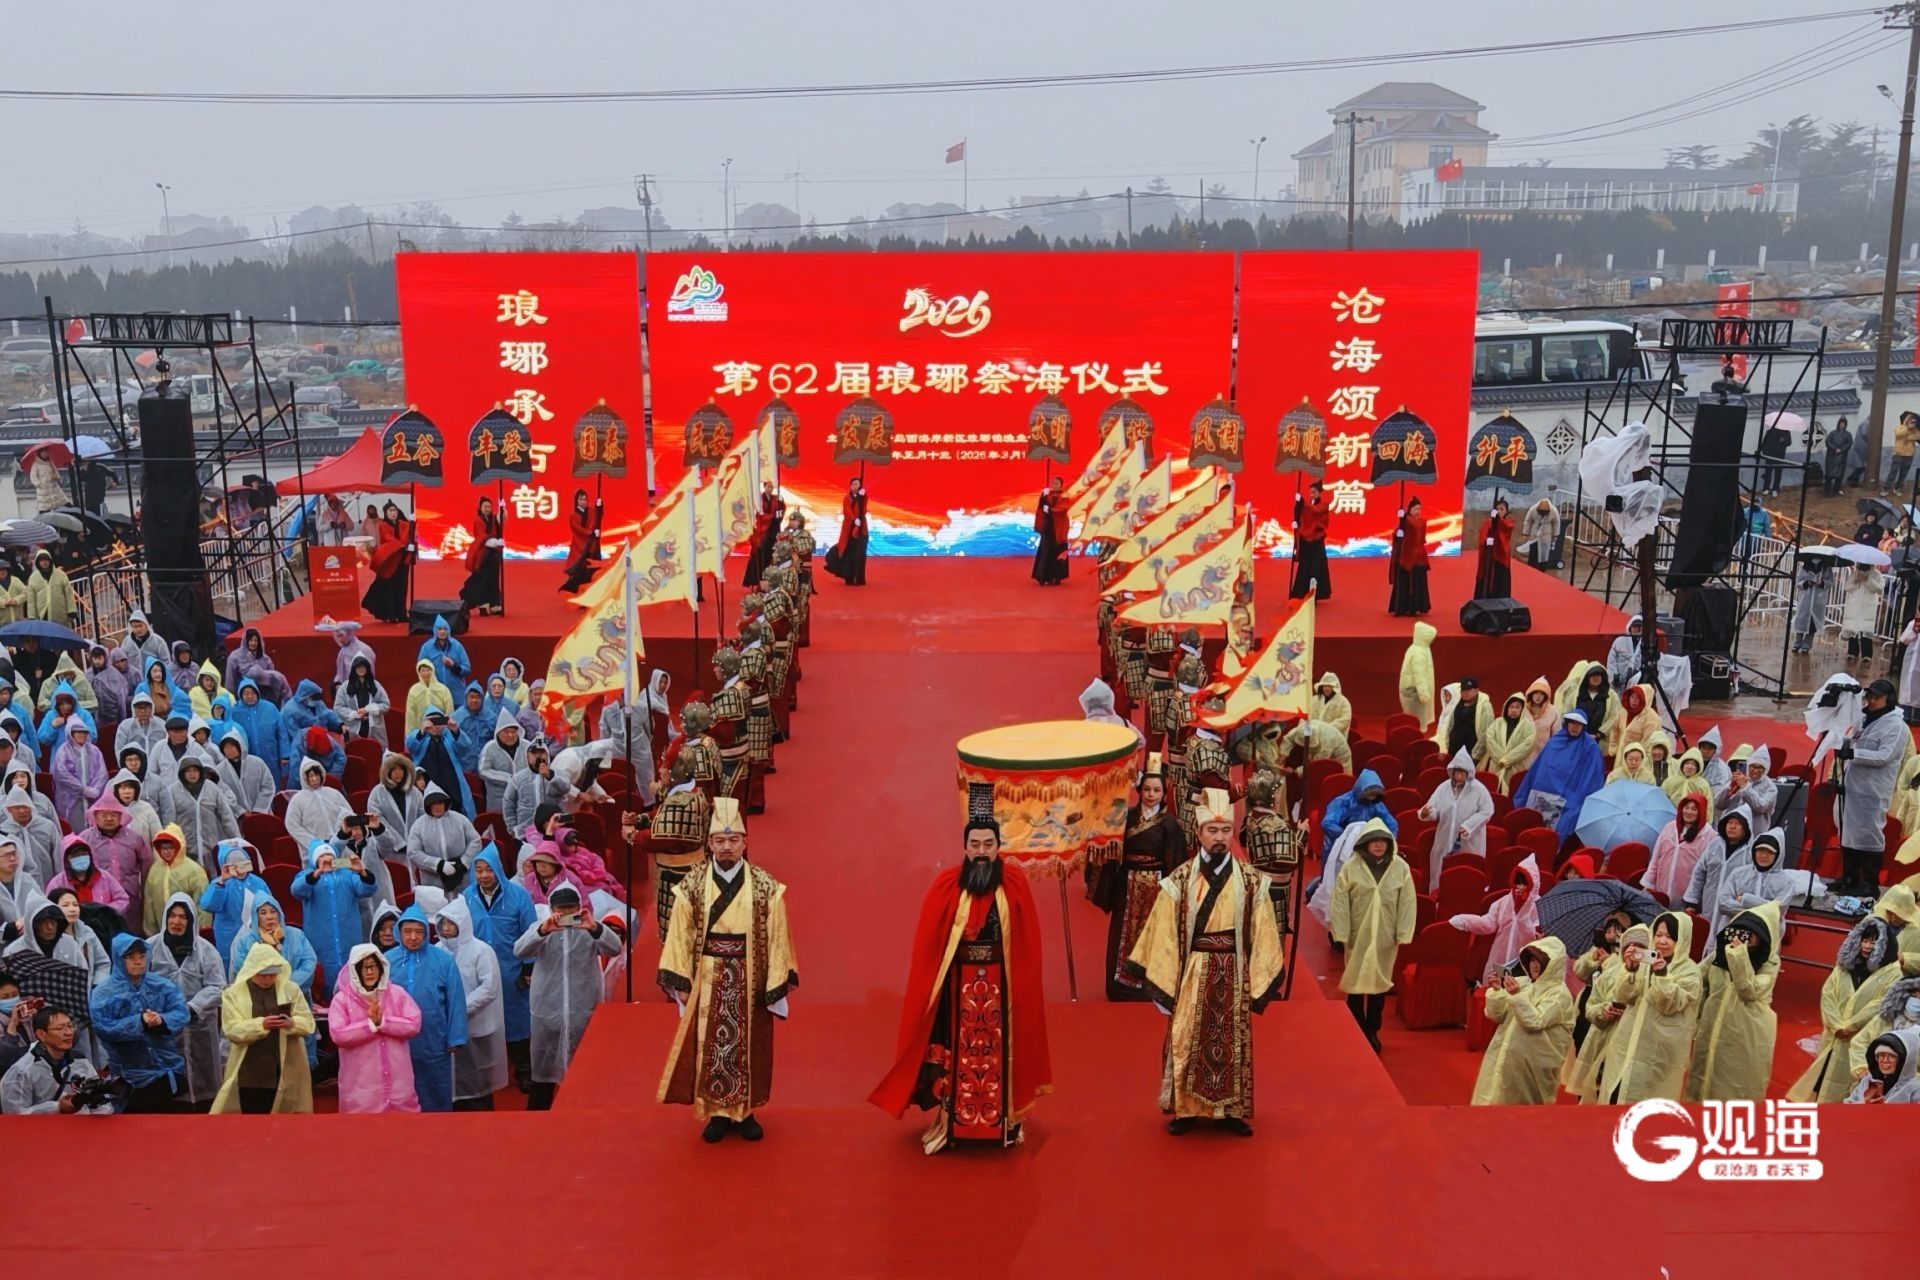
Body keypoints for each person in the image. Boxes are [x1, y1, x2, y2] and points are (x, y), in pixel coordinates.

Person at [871, 815, 1051, 1154]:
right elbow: (930, 945)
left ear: (998, 847)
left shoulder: (1014, 884)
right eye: (975, 845)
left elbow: (1027, 946)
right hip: (957, 992)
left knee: (1002, 1054)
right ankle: (951, 1122)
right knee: (957, 1055)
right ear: (965, 847)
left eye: (988, 845)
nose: (981, 852)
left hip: (1002, 990)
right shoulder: (947, 885)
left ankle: (1005, 1121)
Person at [1122, 788, 1283, 1134]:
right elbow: (1164, 932)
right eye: (1212, 830)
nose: (1219, 837)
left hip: (1234, 969)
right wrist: (1166, 982)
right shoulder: (1179, 880)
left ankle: (1231, 1110)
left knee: (1232, 1039)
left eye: (1225, 830)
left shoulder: (1251, 881)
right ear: (1199, 833)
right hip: (1193, 969)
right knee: (1186, 1035)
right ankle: (1185, 1109)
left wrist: (1257, 979)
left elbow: (1264, 930)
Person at [654, 796, 796, 1138]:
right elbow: (679, 934)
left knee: (748, 1046)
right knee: (710, 1046)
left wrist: (774, 982)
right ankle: (716, 1112)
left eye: (734, 840)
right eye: (720, 840)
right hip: (707, 975)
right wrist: (681, 981)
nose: (727, 847)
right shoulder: (692, 885)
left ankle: (745, 1112)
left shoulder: (764, 886)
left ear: (745, 843)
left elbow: (778, 935)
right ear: (709, 843)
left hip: (750, 974)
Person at [1088, 754, 1185, 1002]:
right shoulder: (1126, 818)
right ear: (1139, 790)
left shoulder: (1170, 825)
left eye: (1156, 790)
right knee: (1124, 931)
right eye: (1147, 789)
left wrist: (1174, 893)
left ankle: (1152, 983)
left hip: (1157, 885)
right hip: (1128, 883)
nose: (1151, 794)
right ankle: (1120, 985)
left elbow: (1176, 863)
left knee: (1154, 933)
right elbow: (1111, 847)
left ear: (1164, 793)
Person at [1790, 909, 1907, 1102]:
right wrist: (1836, 1025)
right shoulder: (1846, 965)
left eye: (1873, 942)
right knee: (1821, 1081)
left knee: (1850, 1087)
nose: (1867, 946)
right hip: (1834, 1035)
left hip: (1861, 1040)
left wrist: (1851, 1026)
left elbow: (1880, 1004)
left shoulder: (1893, 973)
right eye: (1864, 940)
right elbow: (1828, 994)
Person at [1329, 818, 1418, 1053]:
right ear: (1365, 843)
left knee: (1379, 984)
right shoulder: (1351, 868)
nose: (1378, 845)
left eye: (1382, 841)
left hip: (1385, 937)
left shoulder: (1400, 868)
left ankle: (1372, 1031)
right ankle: (1355, 1028)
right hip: (1357, 935)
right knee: (1356, 983)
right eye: (1373, 841)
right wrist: (1342, 932)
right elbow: (1340, 902)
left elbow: (1407, 902)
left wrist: (1403, 932)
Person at [1597, 912, 1701, 1103]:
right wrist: (1630, 969)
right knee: (1616, 1095)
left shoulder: (1690, 971)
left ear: (1682, 939)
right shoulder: (1644, 963)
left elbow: (1669, 1004)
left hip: (1659, 1052)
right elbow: (1622, 995)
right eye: (1658, 934)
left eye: (1669, 936)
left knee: (1648, 1103)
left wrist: (1661, 975)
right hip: (1628, 1043)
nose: (1662, 941)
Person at [1687, 896, 1782, 1103]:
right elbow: (1695, 977)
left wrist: (1739, 956)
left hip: (1746, 1034)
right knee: (1703, 1080)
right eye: (1739, 929)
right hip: (1712, 1026)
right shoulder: (1720, 955)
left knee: (1734, 1087)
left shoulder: (1770, 963)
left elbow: (1748, 990)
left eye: (1751, 932)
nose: (1743, 935)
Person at [89, 934, 189, 1112]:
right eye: (131, 957)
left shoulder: (162, 985)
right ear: (119, 960)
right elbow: (103, 1027)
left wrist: (162, 1020)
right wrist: (139, 1022)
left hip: (166, 1068)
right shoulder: (103, 993)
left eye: (142, 956)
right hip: (128, 1075)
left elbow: (181, 1012)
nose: (138, 962)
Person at [211, 943, 315, 1114]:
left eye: (272, 975)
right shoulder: (233, 994)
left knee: (286, 1120)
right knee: (253, 1119)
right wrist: (261, 1025)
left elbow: (308, 1023)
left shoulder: (290, 990)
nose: (267, 980)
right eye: (262, 975)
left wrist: (292, 1024)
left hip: (284, 1067)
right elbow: (232, 1030)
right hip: (250, 1070)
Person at [144, 891, 224, 1110]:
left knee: (203, 1076)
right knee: (169, 1084)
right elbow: (141, 983)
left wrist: (191, 1007)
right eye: (172, 915)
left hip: (199, 1025)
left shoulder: (206, 950)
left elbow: (217, 986)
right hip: (163, 1024)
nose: (176, 922)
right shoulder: (150, 947)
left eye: (182, 917)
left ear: (191, 920)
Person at [384, 903, 467, 1113]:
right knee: (400, 1087)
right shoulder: (387, 961)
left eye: (419, 932)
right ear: (399, 932)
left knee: (435, 1088)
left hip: (434, 1038)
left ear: (426, 933)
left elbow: (456, 1001)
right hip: (396, 1038)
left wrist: (455, 1037)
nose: (413, 937)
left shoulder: (444, 961)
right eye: (408, 931)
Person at [1470, 938, 1573, 1106]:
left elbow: (1534, 1022)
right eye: (1532, 960)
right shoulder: (1524, 983)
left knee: (1525, 1112)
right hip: (1505, 1058)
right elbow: (1496, 1015)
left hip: (1534, 1067)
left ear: (1553, 964)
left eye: (1540, 961)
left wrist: (1517, 995)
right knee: (1492, 1104)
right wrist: (1497, 991)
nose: (1535, 965)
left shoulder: (1559, 994)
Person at [326, 944, 422, 1114]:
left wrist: (384, 1022)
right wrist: (370, 1025)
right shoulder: (342, 1000)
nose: (370, 972)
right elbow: (338, 1034)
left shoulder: (397, 994)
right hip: (361, 1093)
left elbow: (414, 1023)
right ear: (355, 971)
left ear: (381, 967)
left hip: (399, 1089)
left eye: (373, 966)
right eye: (364, 968)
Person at [431, 896, 505, 1109]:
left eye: (451, 923)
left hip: (477, 1025)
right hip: (447, 1025)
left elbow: (489, 987)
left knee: (478, 1078)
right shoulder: (438, 950)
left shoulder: (481, 950)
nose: (446, 928)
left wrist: (459, 1009)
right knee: (454, 1075)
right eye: (442, 923)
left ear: (462, 923)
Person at [1836, 677, 1906, 897]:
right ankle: (1849, 877)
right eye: (1870, 696)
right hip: (1852, 786)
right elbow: (1851, 739)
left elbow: (1885, 756)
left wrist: (1853, 753)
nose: (1872, 701)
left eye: (1877, 697)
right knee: (1848, 832)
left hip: (1872, 791)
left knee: (1869, 834)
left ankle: (1869, 882)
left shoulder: (1896, 726)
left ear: (1889, 699)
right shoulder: (1865, 719)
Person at [1511, 710, 1607, 844]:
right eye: (1572, 723)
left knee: (1564, 821)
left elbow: (1591, 779)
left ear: (1584, 726)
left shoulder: (1590, 748)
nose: (1574, 727)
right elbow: (1539, 769)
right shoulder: (1554, 741)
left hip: (1570, 796)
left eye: (1578, 724)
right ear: (1566, 723)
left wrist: (1574, 799)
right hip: (1542, 793)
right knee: (1533, 826)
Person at [0, 1005, 113, 1115]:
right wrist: (56, 1108)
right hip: (44, 1127)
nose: (68, 1032)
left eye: (70, 1026)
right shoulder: (21, 1071)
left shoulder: (81, 1061)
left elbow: (102, 1106)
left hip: (82, 1125)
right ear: (41, 1034)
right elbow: (14, 1115)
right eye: (60, 1028)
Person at [1449, 856, 1544, 979]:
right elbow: (1488, 923)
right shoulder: (1503, 903)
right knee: (1495, 986)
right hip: (1500, 958)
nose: (1520, 887)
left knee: (1521, 988)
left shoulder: (1539, 906)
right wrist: (1465, 921)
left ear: (1532, 884)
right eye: (1518, 883)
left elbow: (1542, 932)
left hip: (1524, 961)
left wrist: (1534, 931)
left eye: (1524, 884)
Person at [1419, 748, 1494, 880]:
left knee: (1466, 876)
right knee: (1441, 876)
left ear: (1468, 773)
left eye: (1462, 773)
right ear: (1451, 772)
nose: (1458, 776)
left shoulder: (1479, 790)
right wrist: (1426, 813)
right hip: (1444, 839)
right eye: (1456, 773)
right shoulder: (1443, 788)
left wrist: (1469, 826)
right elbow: (1433, 809)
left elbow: (1487, 810)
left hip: (1469, 843)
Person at [1644, 795, 1718, 904]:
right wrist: (1648, 885)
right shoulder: (1669, 827)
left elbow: (1709, 872)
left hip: (1687, 898)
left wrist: (1694, 901)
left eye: (1694, 809)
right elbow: (1656, 859)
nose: (1688, 812)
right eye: (1686, 807)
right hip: (1662, 891)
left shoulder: (1710, 836)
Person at [1321, 769, 1396, 858]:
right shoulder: (1343, 802)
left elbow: (1391, 824)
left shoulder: (1375, 804)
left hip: (1365, 844)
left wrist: (1388, 838)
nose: (1373, 797)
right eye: (1371, 794)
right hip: (1339, 844)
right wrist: (1347, 836)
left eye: (1376, 794)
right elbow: (1328, 823)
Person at [50, 718, 106, 835]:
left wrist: (96, 789)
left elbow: (102, 773)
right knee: (74, 831)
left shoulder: (95, 751)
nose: (82, 735)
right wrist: (81, 789)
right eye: (78, 732)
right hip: (70, 800)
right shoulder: (63, 751)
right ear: (71, 733)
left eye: (84, 732)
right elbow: (61, 774)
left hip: (93, 799)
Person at [361, 502, 415, 624]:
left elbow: (408, 535)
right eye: (390, 511)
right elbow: (389, 538)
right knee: (390, 588)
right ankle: (391, 614)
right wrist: (403, 546)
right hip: (390, 561)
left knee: (402, 588)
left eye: (395, 510)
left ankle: (401, 613)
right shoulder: (383, 525)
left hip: (403, 560)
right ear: (386, 513)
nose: (393, 513)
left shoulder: (403, 524)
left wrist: (413, 523)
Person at [459, 496, 505, 616]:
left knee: (494, 580)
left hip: (493, 555)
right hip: (482, 555)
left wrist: (502, 509)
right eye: (485, 507)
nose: (487, 509)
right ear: (480, 508)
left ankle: (495, 605)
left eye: (489, 507)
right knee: (482, 580)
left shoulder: (492, 519)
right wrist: (495, 542)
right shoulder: (478, 520)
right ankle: (483, 605)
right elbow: (482, 536)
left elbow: (500, 522)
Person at [1847, 1028, 1920, 1102]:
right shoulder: (1868, 1081)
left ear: (1903, 1059)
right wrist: (1863, 1104)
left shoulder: (1914, 1088)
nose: (1885, 1060)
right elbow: (1848, 1104)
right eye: (1881, 1055)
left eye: (1892, 1056)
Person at [333, 657, 390, 750]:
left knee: (376, 753)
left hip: (375, 730)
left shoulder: (376, 685)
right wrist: (354, 714)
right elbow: (338, 707)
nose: (361, 669)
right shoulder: (344, 687)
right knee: (355, 753)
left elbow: (386, 705)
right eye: (358, 667)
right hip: (352, 731)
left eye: (363, 666)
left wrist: (368, 709)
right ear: (354, 668)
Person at [1290, 479, 1333, 600]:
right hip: (1307, 540)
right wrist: (1297, 518)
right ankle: (1301, 592)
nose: (1312, 494)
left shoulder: (1323, 506)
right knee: (1304, 567)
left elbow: (1314, 511)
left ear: (1319, 493)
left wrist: (1302, 502)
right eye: (1311, 492)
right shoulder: (1309, 505)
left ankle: (1316, 593)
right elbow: (1304, 515)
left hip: (1316, 541)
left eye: (1314, 492)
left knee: (1316, 568)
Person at [1386, 498, 1429, 616]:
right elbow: (1400, 533)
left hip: (1418, 557)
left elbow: (1416, 529)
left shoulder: (1422, 522)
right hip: (1405, 557)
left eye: (1419, 509)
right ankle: (1401, 607)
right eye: (1415, 509)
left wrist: (1404, 517)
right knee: (1403, 582)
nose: (1418, 511)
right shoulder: (1405, 522)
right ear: (1410, 510)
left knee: (1417, 582)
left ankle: (1416, 607)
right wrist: (1399, 530)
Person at [825, 476, 868, 586]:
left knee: (860, 553)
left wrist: (863, 497)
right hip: (849, 528)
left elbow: (864, 509)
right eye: (853, 484)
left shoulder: (863, 496)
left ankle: (859, 578)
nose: (855, 486)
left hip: (861, 528)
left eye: (857, 484)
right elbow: (847, 511)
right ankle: (849, 577)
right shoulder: (847, 498)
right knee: (849, 553)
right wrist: (854, 519)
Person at [743, 480, 787, 588]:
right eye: (768, 486)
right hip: (762, 529)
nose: (770, 489)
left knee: (773, 553)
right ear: (764, 487)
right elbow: (760, 513)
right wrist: (772, 516)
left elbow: (782, 510)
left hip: (773, 528)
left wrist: (781, 504)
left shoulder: (776, 498)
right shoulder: (759, 498)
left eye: (771, 487)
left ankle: (773, 579)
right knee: (760, 554)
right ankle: (758, 579)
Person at [1840, 563, 1887, 663]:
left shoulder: (1876, 574)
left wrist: (1867, 580)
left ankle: (1866, 654)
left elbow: (1879, 589)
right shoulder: (1855, 573)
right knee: (1852, 628)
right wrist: (1856, 581)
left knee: (1866, 629)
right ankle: (1852, 652)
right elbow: (1847, 587)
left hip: (1868, 606)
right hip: (1854, 605)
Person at [559, 489, 603, 593]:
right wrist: (591, 533)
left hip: (589, 545)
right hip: (579, 545)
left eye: (585, 499)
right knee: (578, 567)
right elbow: (578, 529)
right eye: (581, 499)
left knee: (589, 567)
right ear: (576, 501)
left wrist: (599, 506)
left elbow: (596, 516)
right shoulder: (573, 515)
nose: (583, 501)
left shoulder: (590, 512)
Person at [1030, 476, 1068, 586]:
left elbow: (1063, 509)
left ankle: (1057, 576)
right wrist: (1043, 497)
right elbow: (1042, 507)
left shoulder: (1065, 496)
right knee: (1045, 550)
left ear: (1061, 485)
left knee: (1058, 551)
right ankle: (1043, 576)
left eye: (1057, 483)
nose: (1054, 485)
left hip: (1059, 528)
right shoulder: (1047, 494)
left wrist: (1050, 509)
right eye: (1053, 483)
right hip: (1048, 527)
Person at [1398, 621, 1435, 731]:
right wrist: (1424, 694)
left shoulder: (1416, 647)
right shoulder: (1420, 653)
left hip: (1413, 690)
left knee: (1412, 719)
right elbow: (1419, 675)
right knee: (1417, 723)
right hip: (1415, 692)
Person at [1473, 497, 1513, 599]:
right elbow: (1482, 536)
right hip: (1489, 557)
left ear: (1506, 511)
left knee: (1500, 581)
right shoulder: (1488, 522)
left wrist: (1497, 519)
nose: (1499, 511)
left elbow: (1505, 532)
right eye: (1497, 509)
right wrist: (1486, 540)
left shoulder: (1508, 523)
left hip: (1501, 558)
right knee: (1487, 578)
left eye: (1502, 509)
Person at [25, 549, 76, 625]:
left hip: (61, 614)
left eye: (46, 559)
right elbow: (31, 599)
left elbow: (68, 593)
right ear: (37, 562)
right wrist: (32, 616)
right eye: (42, 560)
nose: (44, 562)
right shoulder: (33, 578)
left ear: (50, 560)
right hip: (42, 615)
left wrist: (71, 610)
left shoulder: (61, 575)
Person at [405, 660, 454, 739]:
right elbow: (410, 716)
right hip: (421, 731)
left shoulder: (443, 689)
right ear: (419, 672)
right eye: (423, 670)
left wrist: (449, 731)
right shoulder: (414, 690)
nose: (426, 673)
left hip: (440, 731)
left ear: (433, 671)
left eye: (428, 670)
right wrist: (410, 736)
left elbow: (449, 710)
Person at [1792, 556, 1832, 655]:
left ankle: (1807, 645)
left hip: (1818, 600)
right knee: (1801, 621)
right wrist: (1806, 583)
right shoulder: (1804, 568)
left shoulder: (1826, 569)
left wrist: (1822, 583)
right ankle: (1797, 643)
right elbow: (1798, 581)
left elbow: (1831, 582)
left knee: (1813, 623)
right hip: (1805, 599)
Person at [1759, 411, 1793, 496]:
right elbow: (1764, 442)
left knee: (1778, 473)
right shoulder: (1769, 431)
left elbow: (1789, 442)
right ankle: (1766, 488)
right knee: (1768, 472)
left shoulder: (1786, 432)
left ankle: (1775, 489)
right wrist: (1763, 451)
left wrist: (1784, 441)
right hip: (1769, 455)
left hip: (1779, 455)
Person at [1824, 416, 1853, 497]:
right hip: (1831, 457)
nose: (1842, 425)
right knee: (1829, 475)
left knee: (1839, 476)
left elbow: (1849, 444)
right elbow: (1828, 442)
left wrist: (1841, 449)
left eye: (1844, 424)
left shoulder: (1848, 434)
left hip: (1841, 457)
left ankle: (1836, 490)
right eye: (1841, 423)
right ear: (1838, 424)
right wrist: (1834, 449)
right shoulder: (1832, 433)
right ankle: (1827, 491)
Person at [0, 561, 28, 627]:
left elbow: (26, 592)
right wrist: (4, 602)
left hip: (19, 620)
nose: (2, 572)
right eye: (0, 570)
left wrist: (16, 600)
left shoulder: (15, 580)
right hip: (2, 623)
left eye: (4, 569)